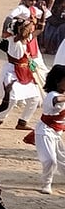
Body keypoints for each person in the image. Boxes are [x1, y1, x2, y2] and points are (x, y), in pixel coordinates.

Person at [0, 18, 43, 129]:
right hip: (12, 72)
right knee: (12, 99)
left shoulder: (26, 39)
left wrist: (44, 14)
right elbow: (18, 52)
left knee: (34, 99)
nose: (31, 29)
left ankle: (22, 122)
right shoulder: (13, 41)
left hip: (25, 72)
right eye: (28, 28)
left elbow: (40, 29)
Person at [32, 66, 65, 195]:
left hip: (57, 132)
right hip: (45, 132)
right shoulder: (52, 95)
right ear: (58, 81)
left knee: (62, 158)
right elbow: (57, 100)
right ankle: (46, 183)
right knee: (50, 160)